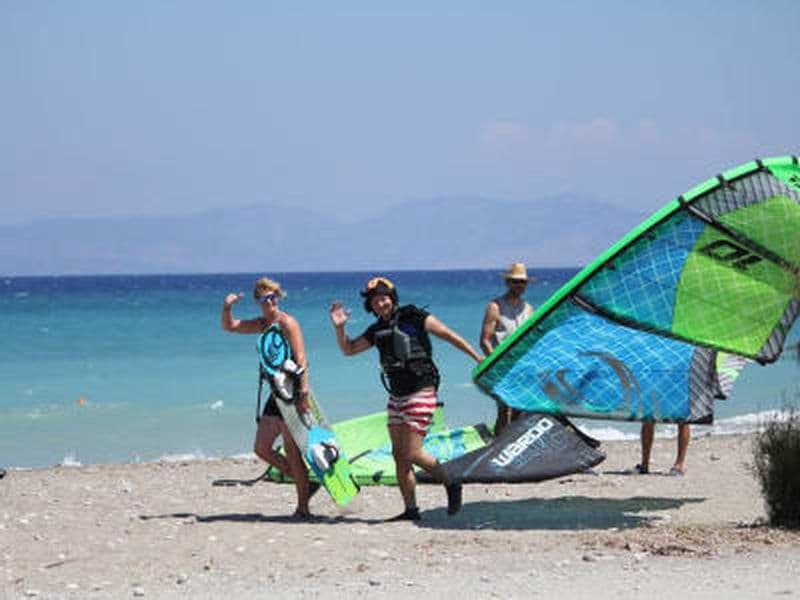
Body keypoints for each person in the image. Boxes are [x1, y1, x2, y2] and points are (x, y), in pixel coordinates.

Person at [329, 276, 483, 520]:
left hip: (421, 389)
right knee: (399, 455)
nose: (380, 303)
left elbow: (447, 334)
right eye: (375, 301)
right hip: (396, 396)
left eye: (384, 298)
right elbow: (349, 349)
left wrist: (478, 358)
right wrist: (339, 328)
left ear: (392, 298)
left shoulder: (413, 316)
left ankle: (451, 480)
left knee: (412, 452)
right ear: (370, 305)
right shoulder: (376, 329)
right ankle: (411, 510)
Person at [221, 277, 315, 518]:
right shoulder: (262, 324)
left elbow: (301, 358)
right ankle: (305, 483)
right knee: (262, 448)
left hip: (292, 392)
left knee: (292, 451)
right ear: (258, 301)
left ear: (278, 298)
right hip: (275, 392)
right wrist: (227, 307)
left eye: (273, 297)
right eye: (264, 299)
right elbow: (230, 326)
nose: (270, 302)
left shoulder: (287, 323)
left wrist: (303, 392)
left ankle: (303, 506)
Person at [479, 262, 534, 436]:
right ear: (508, 282)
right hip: (501, 366)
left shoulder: (529, 309)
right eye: (515, 281)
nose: (519, 285)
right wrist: (496, 364)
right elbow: (485, 340)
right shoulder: (495, 306)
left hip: (522, 366)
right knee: (504, 409)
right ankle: (498, 444)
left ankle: (512, 444)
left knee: (519, 410)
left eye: (522, 282)